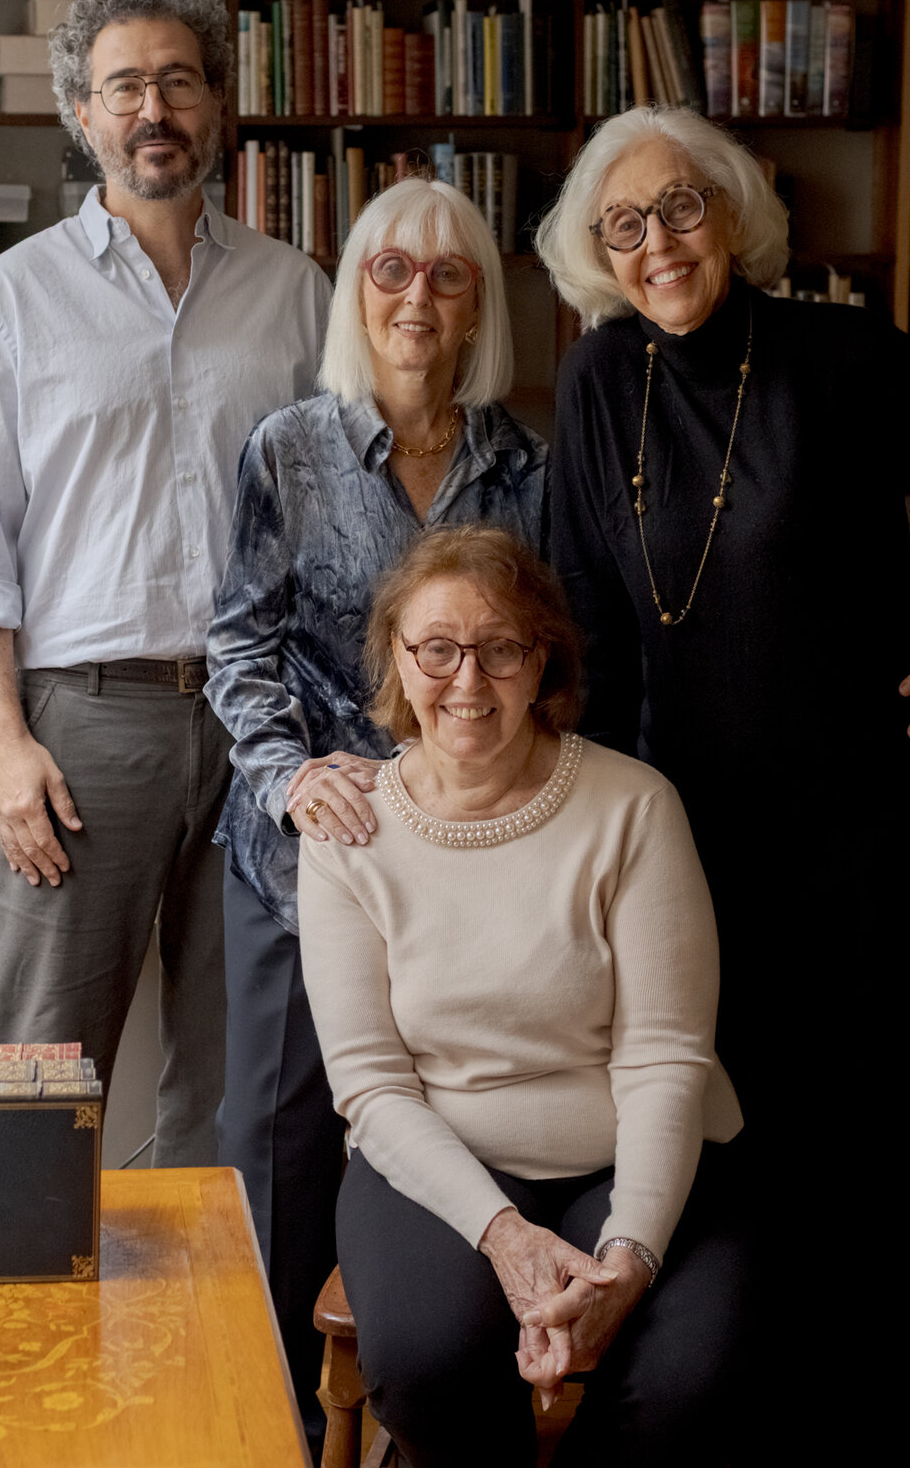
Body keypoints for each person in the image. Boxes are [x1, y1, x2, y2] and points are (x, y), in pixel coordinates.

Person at [536, 104, 910, 1465]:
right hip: (679, 850)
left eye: (683, 208)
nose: (659, 243)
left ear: (733, 214)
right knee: (710, 1163)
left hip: (859, 850)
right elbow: (582, 624)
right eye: (626, 223)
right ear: (600, 251)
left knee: (859, 1171)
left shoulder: (834, 354)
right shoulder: (601, 381)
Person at [0, 0, 329, 1165]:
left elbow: (331, 520)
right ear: (81, 114)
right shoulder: (13, 299)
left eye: (178, 81)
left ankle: (197, 1345)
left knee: (233, 1074)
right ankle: (32, 1340)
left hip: (260, 723)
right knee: (42, 1067)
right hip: (84, 729)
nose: (153, 108)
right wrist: (4, 747)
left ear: (216, 108)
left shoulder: (295, 293)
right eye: (124, 87)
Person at [203, 174, 546, 1438]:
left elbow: (542, 666)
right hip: (301, 861)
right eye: (390, 270)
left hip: (462, 866)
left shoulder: (526, 469)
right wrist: (292, 776)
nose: (416, 295)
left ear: (476, 307)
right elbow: (236, 649)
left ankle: (437, 1392)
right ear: (357, 292)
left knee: (453, 1120)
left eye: (447, 275)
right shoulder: (288, 448)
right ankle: (271, 1419)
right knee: (278, 1146)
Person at [299, 525, 749, 1467]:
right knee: (427, 1360)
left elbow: (667, 1057)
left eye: (501, 647)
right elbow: (372, 1084)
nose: (468, 680)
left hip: (627, 1158)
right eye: (437, 649)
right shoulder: (347, 826)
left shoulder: (635, 807)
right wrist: (504, 1236)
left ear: (541, 660)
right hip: (438, 1165)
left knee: (690, 1378)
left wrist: (626, 1258)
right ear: (396, 659)